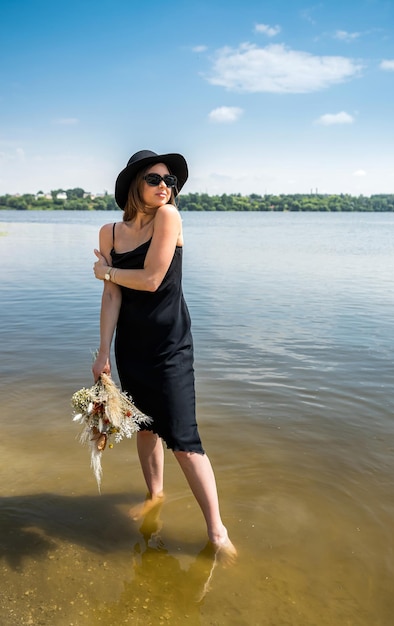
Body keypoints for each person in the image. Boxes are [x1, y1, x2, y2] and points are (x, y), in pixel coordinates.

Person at [92, 149, 236, 561]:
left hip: (171, 345)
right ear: (136, 184)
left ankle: (217, 531)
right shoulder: (110, 233)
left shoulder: (169, 218)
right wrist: (103, 350)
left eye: (170, 182)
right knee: (145, 427)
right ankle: (155, 496)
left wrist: (107, 271)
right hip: (131, 346)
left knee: (184, 439)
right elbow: (112, 295)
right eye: (155, 179)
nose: (164, 187)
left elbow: (153, 279)